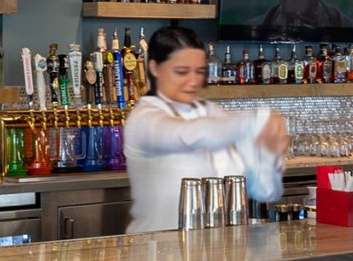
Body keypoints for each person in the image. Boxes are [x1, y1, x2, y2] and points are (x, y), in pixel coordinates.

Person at [122, 24, 289, 232]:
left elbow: (265, 191)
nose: (193, 81)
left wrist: (269, 151)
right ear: (154, 68)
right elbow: (190, 134)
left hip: (218, 250)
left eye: (200, 71)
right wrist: (258, 119)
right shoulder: (144, 119)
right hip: (156, 254)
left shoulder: (214, 114)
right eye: (181, 72)